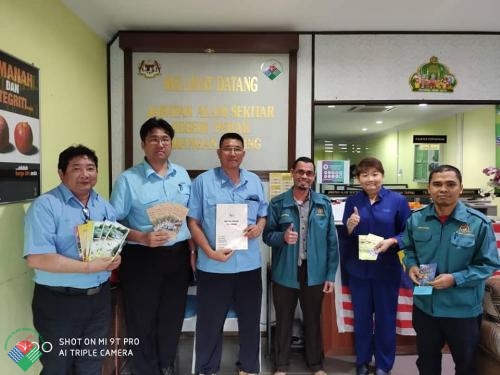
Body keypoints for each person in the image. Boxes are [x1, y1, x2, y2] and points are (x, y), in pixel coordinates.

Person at [23, 144, 121, 375]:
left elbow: (109, 246)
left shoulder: (103, 205)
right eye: (76, 168)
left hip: (99, 300)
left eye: (90, 168)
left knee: (91, 365)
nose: (85, 174)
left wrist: (114, 259)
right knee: (58, 366)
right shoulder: (45, 206)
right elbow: (36, 259)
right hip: (59, 303)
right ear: (61, 173)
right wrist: (88, 267)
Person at [110, 117, 194, 375]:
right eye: (154, 139)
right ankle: (145, 370)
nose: (160, 144)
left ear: (171, 143)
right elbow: (112, 224)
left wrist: (191, 251)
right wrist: (142, 237)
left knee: (171, 316)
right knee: (141, 319)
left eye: (165, 139)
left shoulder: (182, 174)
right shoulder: (128, 179)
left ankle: (166, 365)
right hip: (141, 258)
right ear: (143, 144)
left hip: (177, 257)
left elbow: (189, 217)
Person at [401, 165, 500, 375]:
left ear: (461, 188)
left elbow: (488, 265)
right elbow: (408, 249)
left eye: (450, 184)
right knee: (427, 364)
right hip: (425, 307)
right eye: (437, 184)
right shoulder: (416, 219)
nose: (443, 189)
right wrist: (411, 266)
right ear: (429, 188)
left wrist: (455, 279)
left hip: (462, 309)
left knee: (466, 365)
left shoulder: (478, 223)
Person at [187, 132, 268, 375]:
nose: (232, 153)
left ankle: (249, 369)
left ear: (243, 153)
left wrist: (259, 227)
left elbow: (263, 214)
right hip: (213, 267)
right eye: (227, 148)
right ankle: (207, 370)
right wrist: (209, 252)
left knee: (251, 322)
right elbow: (193, 222)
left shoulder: (254, 182)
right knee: (210, 324)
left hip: (249, 266)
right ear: (219, 152)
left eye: (237, 149)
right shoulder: (202, 182)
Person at [263, 156, 339, 375]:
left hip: (314, 272)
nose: (304, 176)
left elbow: (331, 242)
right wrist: (282, 238)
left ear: (313, 177)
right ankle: (281, 365)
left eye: (309, 173)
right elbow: (267, 236)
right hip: (285, 271)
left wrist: (330, 275)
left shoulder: (323, 203)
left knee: (313, 318)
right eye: (300, 172)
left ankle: (315, 364)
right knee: (284, 319)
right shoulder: (278, 203)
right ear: (292, 173)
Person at [341, 157, 411, 375]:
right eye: (364, 175)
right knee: (361, 319)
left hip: (386, 270)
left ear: (382, 175)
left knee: (385, 319)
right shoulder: (353, 201)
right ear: (358, 179)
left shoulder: (397, 201)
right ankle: (362, 360)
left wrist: (392, 241)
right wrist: (350, 227)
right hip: (359, 270)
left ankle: (383, 364)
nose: (370, 179)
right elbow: (347, 234)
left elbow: (407, 233)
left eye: (374, 174)